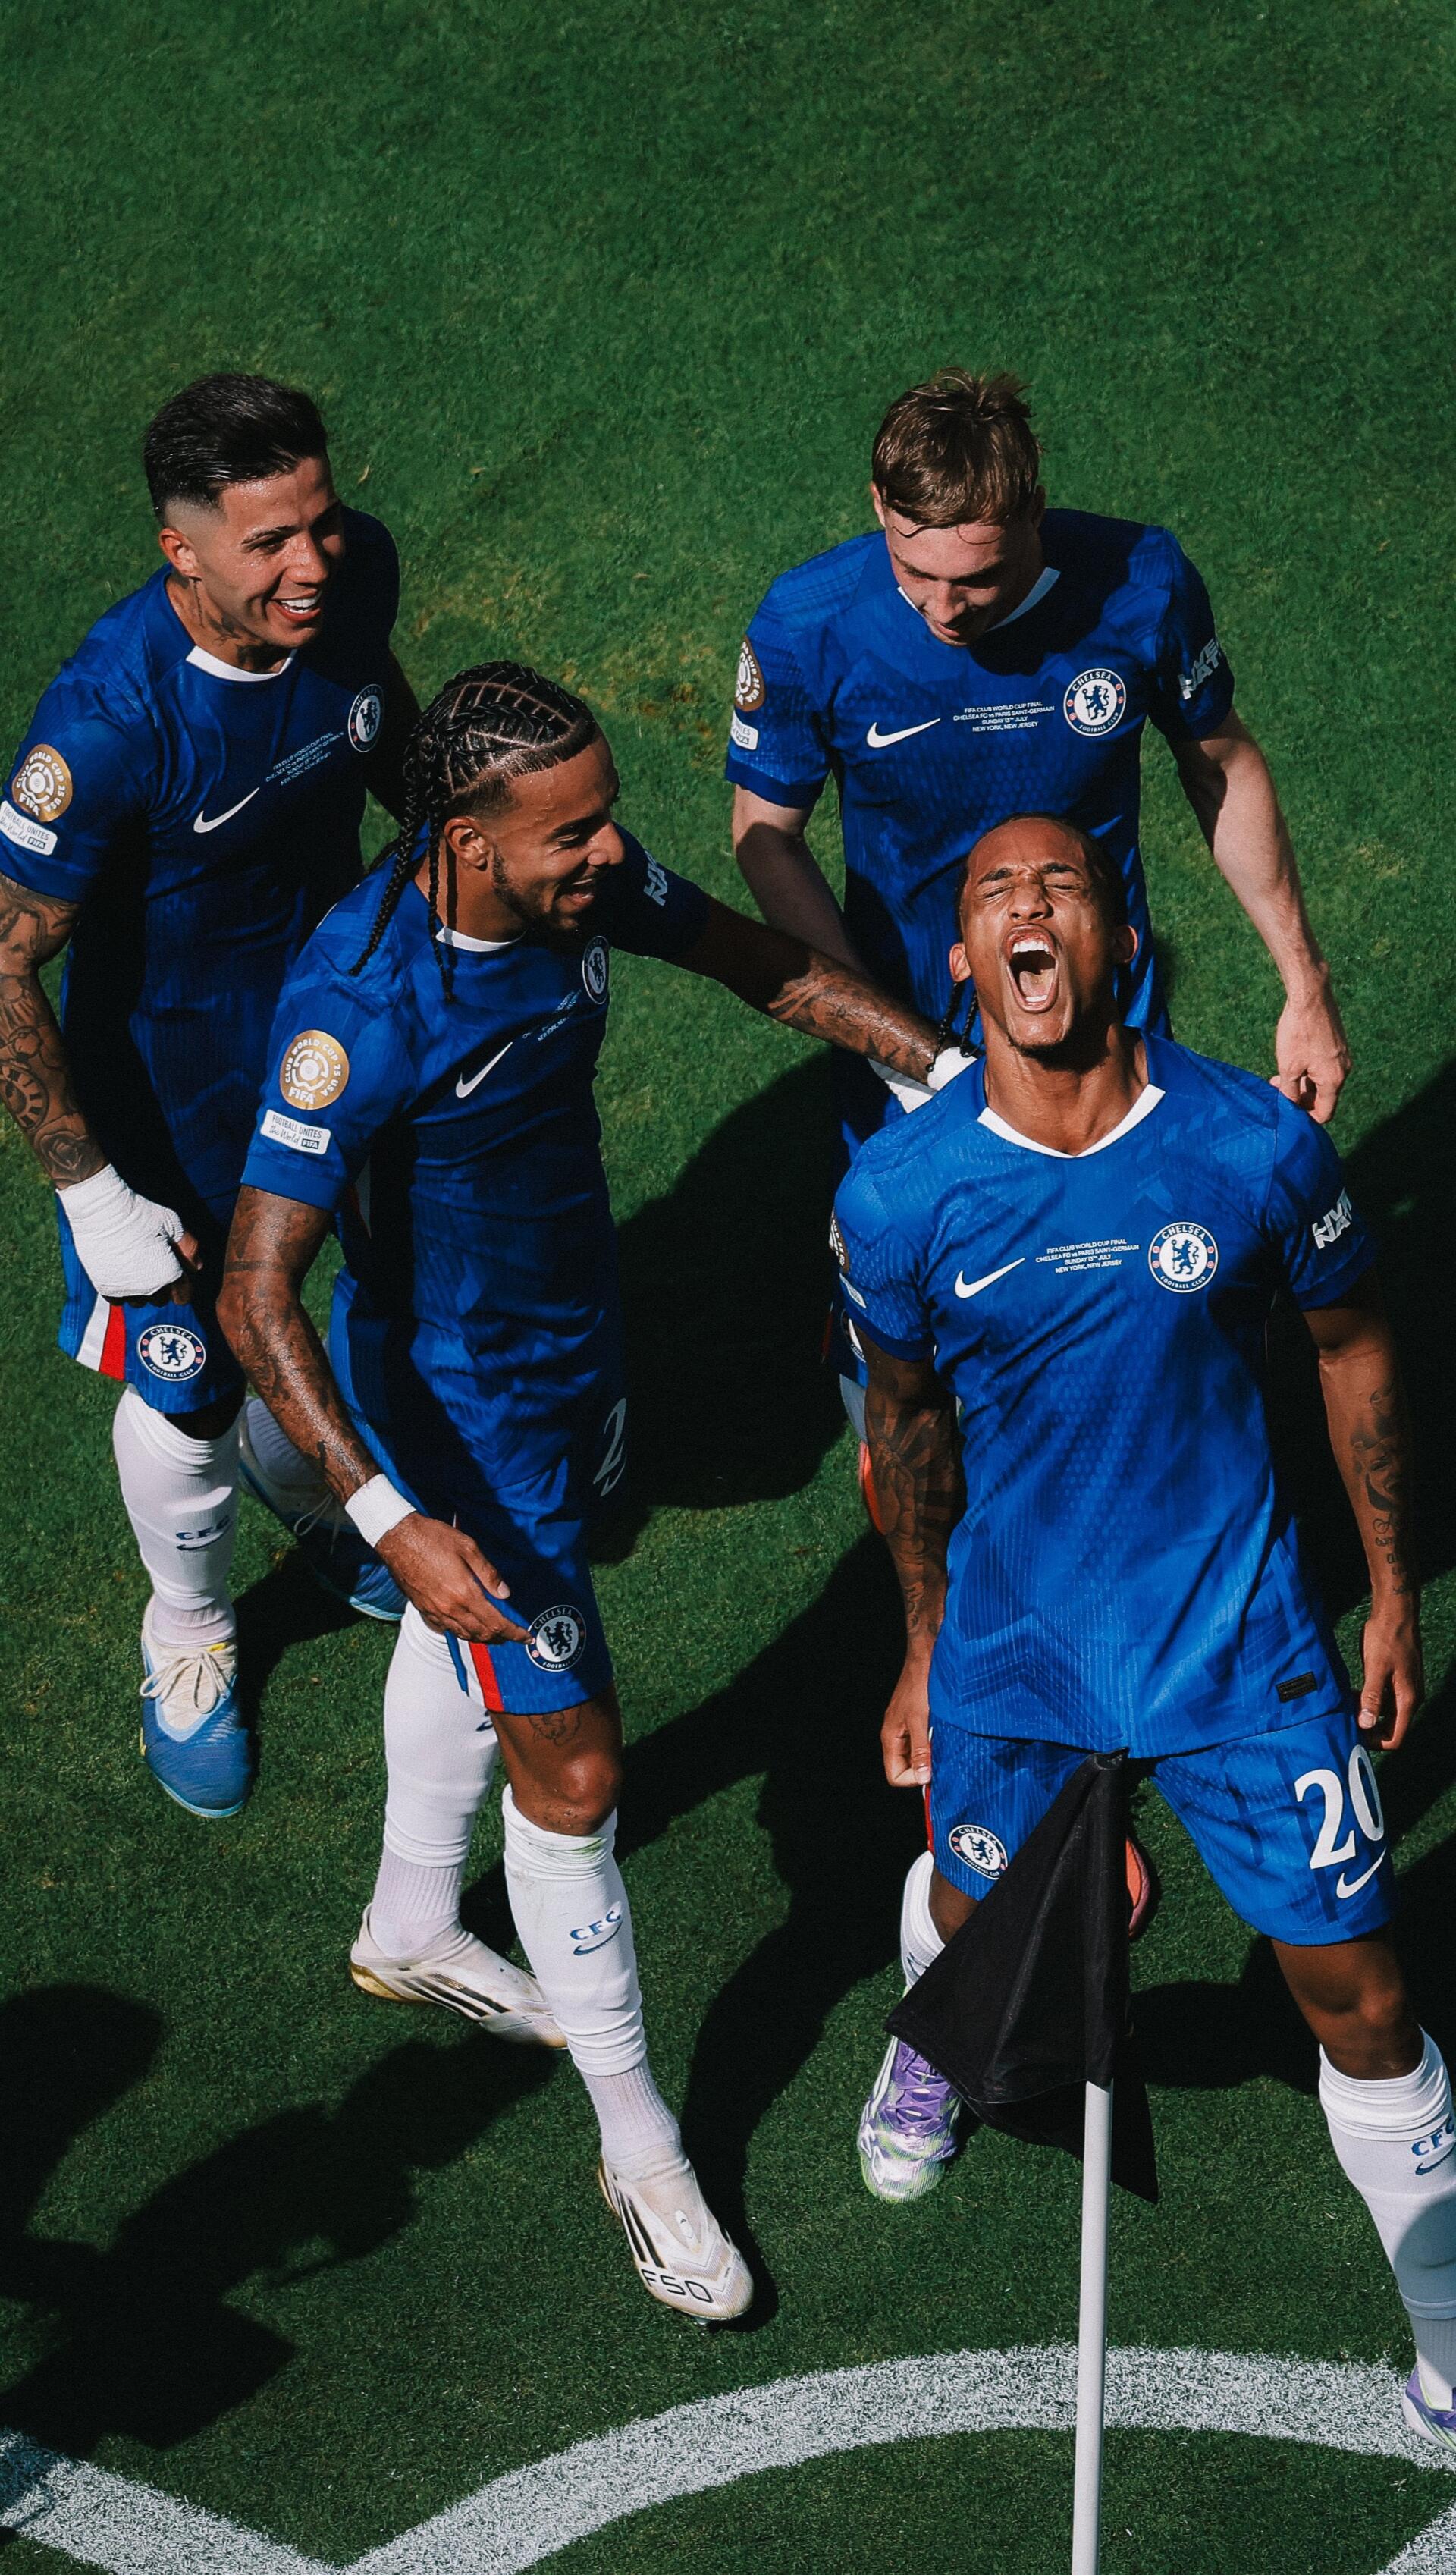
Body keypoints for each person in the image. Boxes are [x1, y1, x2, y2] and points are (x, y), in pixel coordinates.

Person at [217, 662, 959, 2322]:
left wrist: (955, 1085)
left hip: (571, 1368)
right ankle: (641, 2149)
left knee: (473, 1659)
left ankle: (414, 1917)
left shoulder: (585, 884)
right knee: (577, 1766)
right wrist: (393, 1519)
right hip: (461, 1437)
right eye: (573, 832)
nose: (613, 850)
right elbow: (257, 1299)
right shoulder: (361, 1009)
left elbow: (758, 964)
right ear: (464, 842)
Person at [833, 812, 1456, 2456]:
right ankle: (933, 2015)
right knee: (983, 1932)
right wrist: (918, 1640)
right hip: (1019, 1649)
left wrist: (1388, 1593)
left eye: (1063, 886)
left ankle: (1455, 2344)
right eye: (992, 898)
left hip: (1236, 1646)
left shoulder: (1252, 1150)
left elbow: (1353, 1348)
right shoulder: (901, 1195)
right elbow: (902, 1430)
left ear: (1119, 937)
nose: (1028, 911)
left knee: (1363, 1996)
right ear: (960, 964)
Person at [727, 367, 1351, 1452]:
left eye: (978, 579)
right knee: (932, 1356)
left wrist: (1304, 985)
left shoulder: (1138, 583)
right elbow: (764, 834)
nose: (942, 609)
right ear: (878, 507)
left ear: (1032, 514)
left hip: (1110, 1036)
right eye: (914, 571)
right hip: (905, 1041)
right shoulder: (809, 624)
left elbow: (1223, 766)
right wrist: (880, 1031)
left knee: (1134, 1316)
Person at [0, 373, 417, 1820]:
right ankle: (185, 1632)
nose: (312, 561)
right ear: (183, 550)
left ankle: (316, 1500)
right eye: (268, 543)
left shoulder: (346, 584)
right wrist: (90, 1188)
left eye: (318, 520)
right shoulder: (108, 726)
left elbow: (389, 737)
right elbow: (3, 961)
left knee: (359, 1302)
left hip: (330, 1043)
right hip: (163, 1098)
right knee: (185, 1382)